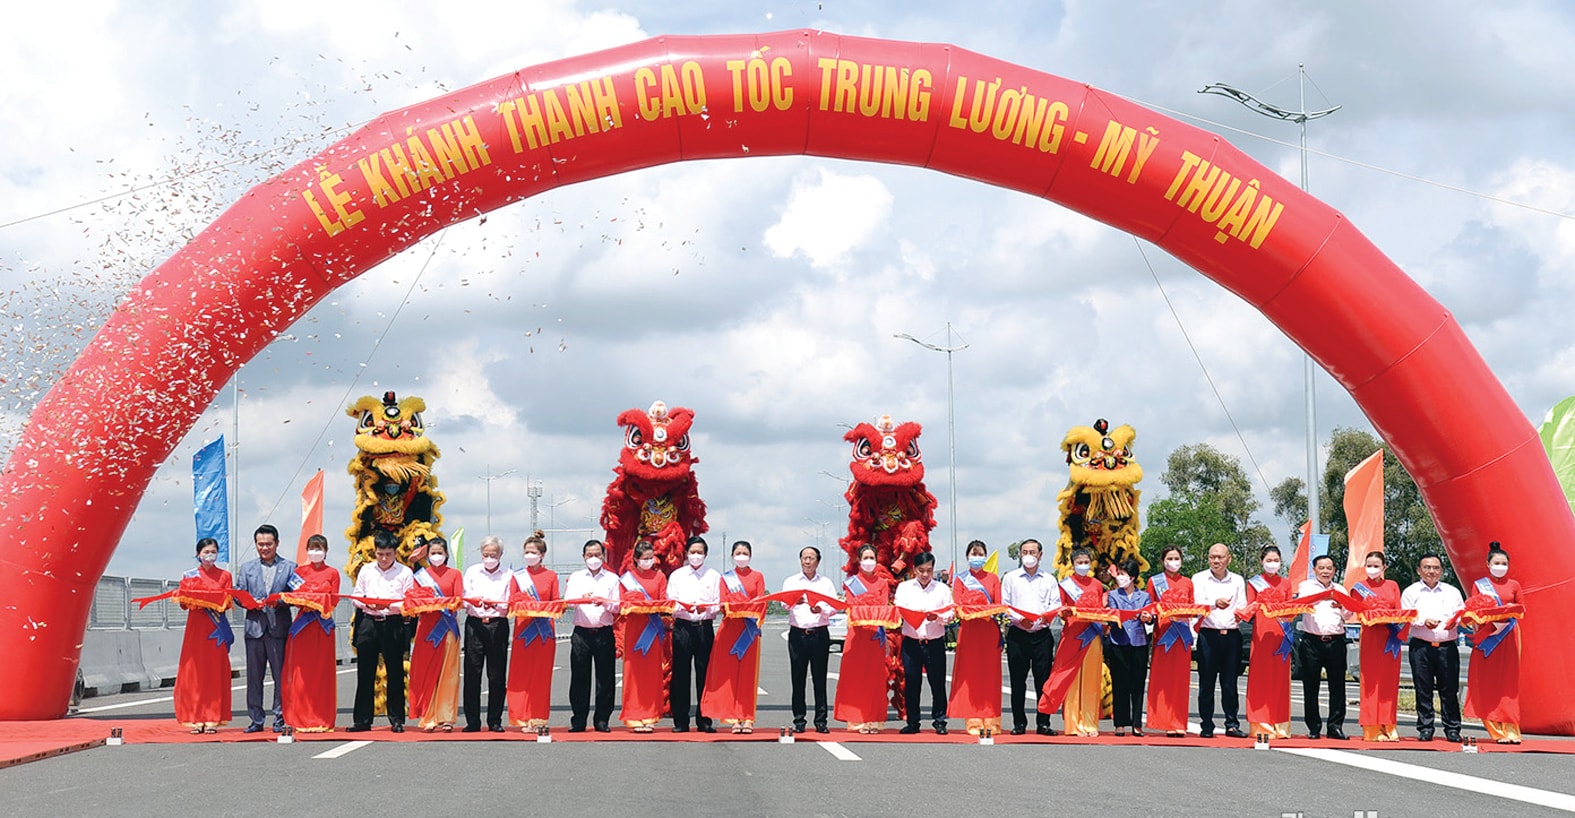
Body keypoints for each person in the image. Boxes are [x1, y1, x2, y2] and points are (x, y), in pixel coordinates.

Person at [349, 530, 414, 733]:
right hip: (368, 622)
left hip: (392, 622)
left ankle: (396, 719)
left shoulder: (405, 572)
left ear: (395, 553)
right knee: (365, 672)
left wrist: (388, 606)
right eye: (379, 554)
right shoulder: (366, 570)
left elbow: (408, 600)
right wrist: (369, 603)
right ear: (374, 552)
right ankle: (362, 720)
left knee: (395, 671)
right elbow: (356, 597)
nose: (383, 558)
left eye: (388, 554)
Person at [702, 540, 770, 733]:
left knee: (748, 675)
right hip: (729, 629)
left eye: (745, 553)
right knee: (729, 675)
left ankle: (747, 717)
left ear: (750, 555)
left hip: (749, 630)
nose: (741, 556)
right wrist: (734, 606)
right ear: (732, 556)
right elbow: (722, 603)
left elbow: (761, 602)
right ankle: (733, 718)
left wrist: (744, 608)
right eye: (738, 553)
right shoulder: (725, 578)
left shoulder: (757, 576)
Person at [234, 523, 296, 733]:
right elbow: (238, 594)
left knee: (280, 677)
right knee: (254, 677)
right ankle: (256, 719)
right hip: (254, 628)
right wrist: (249, 602)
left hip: (278, 627)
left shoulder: (290, 567)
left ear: (277, 544)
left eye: (268, 544)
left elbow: (296, 595)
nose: (264, 548)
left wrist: (278, 601)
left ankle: (280, 718)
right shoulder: (247, 568)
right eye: (260, 544)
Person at [1038, 547, 1106, 736]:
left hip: (1092, 636)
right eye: (1079, 562)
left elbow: (1100, 610)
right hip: (1073, 635)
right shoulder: (1065, 585)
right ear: (1073, 564)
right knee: (1071, 679)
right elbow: (1060, 608)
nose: (1083, 565)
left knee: (1091, 680)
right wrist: (1066, 612)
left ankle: (1090, 723)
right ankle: (1074, 724)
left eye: (1086, 562)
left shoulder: (1097, 585)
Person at [1401, 553, 1465, 742]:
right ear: (1419, 570)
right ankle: (1426, 727)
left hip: (1447, 647)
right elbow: (1406, 615)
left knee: (1450, 689)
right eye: (1427, 567)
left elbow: (1461, 612)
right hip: (1421, 646)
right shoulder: (1411, 592)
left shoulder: (1452, 591)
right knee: (1423, 688)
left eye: (1436, 568)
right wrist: (1423, 622)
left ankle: (1452, 728)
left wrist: (1456, 622)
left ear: (1442, 571)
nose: (1432, 571)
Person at [280, 534, 341, 732]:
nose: (316, 552)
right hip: (303, 628)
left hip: (322, 628)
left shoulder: (333, 573)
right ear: (307, 551)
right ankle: (301, 718)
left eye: (319, 548)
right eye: (312, 548)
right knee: (301, 675)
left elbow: (334, 600)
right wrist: (307, 599)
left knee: (322, 674)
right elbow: (291, 597)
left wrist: (317, 600)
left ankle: (322, 718)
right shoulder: (299, 572)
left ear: (326, 551)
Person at [1464, 543, 1523, 744]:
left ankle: (1512, 729)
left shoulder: (1514, 585)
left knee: (1508, 683)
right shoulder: (1479, 585)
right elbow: (1473, 610)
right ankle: (1495, 730)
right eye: (1496, 563)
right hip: (1488, 636)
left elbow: (1522, 610)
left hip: (1508, 635)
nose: (1500, 566)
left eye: (1504, 563)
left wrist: (1509, 609)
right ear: (1487, 564)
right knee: (1488, 681)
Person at [834, 543, 896, 733]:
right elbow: (852, 607)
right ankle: (857, 719)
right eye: (865, 558)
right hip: (857, 636)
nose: (869, 562)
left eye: (872, 558)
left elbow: (884, 608)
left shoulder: (882, 584)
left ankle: (874, 719)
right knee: (856, 677)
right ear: (859, 561)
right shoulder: (852, 583)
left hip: (875, 636)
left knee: (875, 678)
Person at [174, 538, 234, 733]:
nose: (210, 555)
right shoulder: (189, 575)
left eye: (213, 551)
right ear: (198, 554)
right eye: (206, 551)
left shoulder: (224, 575)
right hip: (196, 630)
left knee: (213, 673)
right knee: (195, 674)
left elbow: (227, 600)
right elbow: (183, 602)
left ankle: (212, 717)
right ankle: (195, 717)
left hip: (216, 630)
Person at [1002, 538, 1059, 736]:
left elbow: (1055, 605)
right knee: (1018, 681)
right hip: (1018, 634)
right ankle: (1019, 723)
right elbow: (1005, 605)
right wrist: (1019, 620)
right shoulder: (1011, 578)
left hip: (1042, 635)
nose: (1028, 556)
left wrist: (1045, 618)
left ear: (1040, 555)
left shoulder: (1049, 579)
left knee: (1043, 681)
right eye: (1025, 552)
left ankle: (1043, 722)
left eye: (1032, 552)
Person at [894, 551, 954, 735]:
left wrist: (937, 617)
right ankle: (913, 721)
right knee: (912, 682)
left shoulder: (942, 589)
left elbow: (950, 614)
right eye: (921, 570)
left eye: (929, 570)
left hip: (934, 641)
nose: (925, 574)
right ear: (914, 569)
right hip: (911, 641)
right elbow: (898, 609)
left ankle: (940, 720)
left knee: (937, 683)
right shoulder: (904, 588)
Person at [407, 536, 463, 732]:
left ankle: (447, 717)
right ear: (427, 555)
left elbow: (458, 599)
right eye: (433, 553)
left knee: (449, 674)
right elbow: (415, 600)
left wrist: (444, 604)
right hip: (427, 629)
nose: (436, 556)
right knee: (426, 672)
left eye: (440, 553)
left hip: (447, 628)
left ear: (446, 554)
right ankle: (429, 716)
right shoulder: (420, 576)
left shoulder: (455, 574)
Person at [1192, 542, 1247, 739]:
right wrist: (1214, 604)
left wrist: (1242, 614)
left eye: (1220, 557)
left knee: (1230, 683)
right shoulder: (1199, 579)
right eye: (1212, 557)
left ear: (1228, 559)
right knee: (1206, 683)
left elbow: (1242, 606)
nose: (1216, 560)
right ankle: (1206, 725)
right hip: (1209, 635)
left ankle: (1231, 723)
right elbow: (1196, 605)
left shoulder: (1238, 580)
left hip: (1231, 636)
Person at [949, 539, 1004, 736]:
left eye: (981, 554)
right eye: (974, 553)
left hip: (989, 631)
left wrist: (987, 611)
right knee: (971, 675)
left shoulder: (993, 579)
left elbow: (998, 604)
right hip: (969, 631)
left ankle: (991, 720)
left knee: (990, 675)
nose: (977, 557)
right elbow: (957, 605)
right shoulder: (960, 579)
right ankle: (972, 719)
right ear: (967, 557)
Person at [506, 532, 559, 731]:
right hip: (523, 631)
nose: (529, 555)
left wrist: (540, 608)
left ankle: (538, 718)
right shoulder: (517, 577)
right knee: (520, 675)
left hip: (544, 633)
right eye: (527, 552)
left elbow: (556, 604)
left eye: (533, 552)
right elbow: (512, 601)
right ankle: (520, 717)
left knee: (541, 676)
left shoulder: (551, 576)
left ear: (542, 554)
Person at [564, 539, 619, 733]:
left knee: (605, 678)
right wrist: (583, 598)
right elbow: (568, 602)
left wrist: (604, 602)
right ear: (583, 557)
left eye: (597, 555)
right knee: (579, 677)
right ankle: (578, 720)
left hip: (603, 631)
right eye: (590, 555)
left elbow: (617, 606)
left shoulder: (612, 578)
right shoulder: (577, 577)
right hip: (581, 633)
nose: (593, 558)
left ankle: (602, 719)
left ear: (603, 556)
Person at [667, 535, 720, 733]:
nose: (696, 556)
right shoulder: (677, 576)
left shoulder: (713, 576)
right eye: (692, 552)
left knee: (705, 674)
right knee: (680, 674)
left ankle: (705, 720)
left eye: (699, 552)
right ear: (686, 554)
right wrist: (687, 609)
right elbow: (671, 602)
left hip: (703, 627)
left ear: (705, 554)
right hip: (682, 626)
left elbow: (717, 603)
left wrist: (704, 610)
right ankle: (681, 720)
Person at [783, 545, 838, 733]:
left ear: (818, 561)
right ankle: (799, 720)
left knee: (819, 678)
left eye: (811, 558)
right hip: (798, 634)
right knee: (798, 679)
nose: (807, 561)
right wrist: (793, 601)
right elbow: (783, 604)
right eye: (804, 558)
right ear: (800, 560)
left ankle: (821, 721)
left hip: (819, 633)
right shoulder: (791, 581)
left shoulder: (826, 583)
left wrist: (821, 609)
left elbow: (834, 606)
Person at [1295, 554, 1349, 740]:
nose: (1325, 571)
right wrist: (1320, 597)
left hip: (1336, 641)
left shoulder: (1341, 589)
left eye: (1329, 568)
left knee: (1338, 686)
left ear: (1334, 570)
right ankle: (1314, 727)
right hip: (1312, 642)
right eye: (1321, 568)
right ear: (1314, 570)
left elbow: (1349, 615)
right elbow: (1301, 606)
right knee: (1311, 686)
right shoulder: (1306, 587)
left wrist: (1342, 605)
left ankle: (1335, 726)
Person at [1351, 550, 1403, 741]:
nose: (1372, 569)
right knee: (1371, 683)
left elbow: (1398, 610)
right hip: (1371, 637)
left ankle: (1389, 726)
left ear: (1384, 568)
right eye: (1369, 565)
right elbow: (1356, 611)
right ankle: (1372, 727)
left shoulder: (1392, 586)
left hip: (1390, 638)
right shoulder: (1359, 587)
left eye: (1376, 566)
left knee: (1389, 682)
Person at [619, 540, 670, 733]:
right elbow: (622, 606)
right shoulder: (626, 579)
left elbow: (664, 603)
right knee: (633, 674)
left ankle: (650, 715)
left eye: (651, 558)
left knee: (651, 674)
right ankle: (633, 715)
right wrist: (634, 603)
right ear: (636, 559)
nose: (648, 561)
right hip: (634, 629)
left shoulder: (659, 577)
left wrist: (648, 605)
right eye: (644, 558)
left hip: (652, 629)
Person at [462, 535, 512, 733]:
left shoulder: (508, 575)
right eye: (486, 554)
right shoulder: (473, 571)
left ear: (500, 554)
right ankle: (472, 721)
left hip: (497, 624)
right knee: (472, 674)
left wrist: (495, 604)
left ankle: (495, 720)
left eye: (493, 554)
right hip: (475, 624)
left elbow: (510, 602)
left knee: (497, 675)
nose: (489, 558)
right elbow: (464, 597)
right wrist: (475, 600)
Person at [1244, 545, 1293, 739]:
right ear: (1262, 561)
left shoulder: (1286, 584)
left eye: (1276, 560)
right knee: (1260, 680)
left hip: (1282, 636)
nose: (1273, 564)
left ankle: (1280, 725)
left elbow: (1290, 610)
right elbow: (1250, 608)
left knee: (1280, 681)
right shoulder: (1254, 583)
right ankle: (1260, 725)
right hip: (1262, 636)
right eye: (1269, 560)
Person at [1147, 545, 1196, 738]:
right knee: (1163, 680)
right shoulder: (1154, 582)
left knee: (1181, 682)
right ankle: (1163, 720)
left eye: (1177, 558)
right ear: (1162, 561)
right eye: (1170, 558)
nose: (1173, 562)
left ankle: (1178, 722)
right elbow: (1149, 607)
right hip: (1163, 637)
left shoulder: (1188, 583)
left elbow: (1193, 607)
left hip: (1182, 638)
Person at [1104, 558, 1153, 737]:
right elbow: (1113, 615)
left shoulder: (1144, 596)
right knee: (1120, 683)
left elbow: (1150, 615)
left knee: (1138, 684)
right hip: (1119, 641)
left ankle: (1137, 723)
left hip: (1139, 642)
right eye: (1119, 574)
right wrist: (1124, 617)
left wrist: (1148, 617)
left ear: (1132, 577)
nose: (1120, 578)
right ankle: (1120, 723)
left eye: (1123, 574)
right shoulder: (1114, 595)